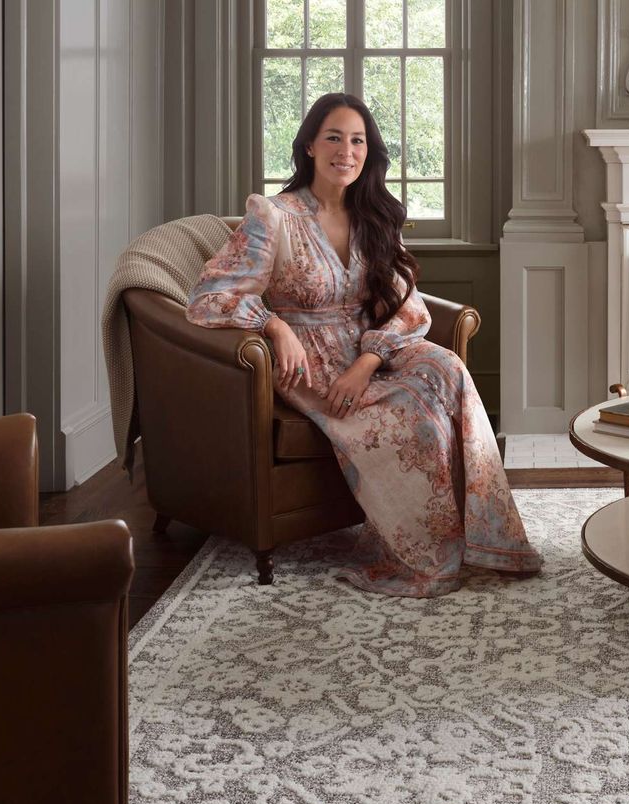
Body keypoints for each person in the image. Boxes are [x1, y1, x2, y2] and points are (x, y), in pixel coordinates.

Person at [186, 92, 541, 597]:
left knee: (450, 371)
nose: (346, 151)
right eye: (334, 137)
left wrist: (369, 361)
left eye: (358, 141)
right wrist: (273, 325)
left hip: (372, 349)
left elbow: (408, 306)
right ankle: (427, 554)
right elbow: (209, 295)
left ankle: (487, 539)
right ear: (309, 144)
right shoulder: (273, 216)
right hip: (311, 362)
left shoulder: (374, 215)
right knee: (417, 416)